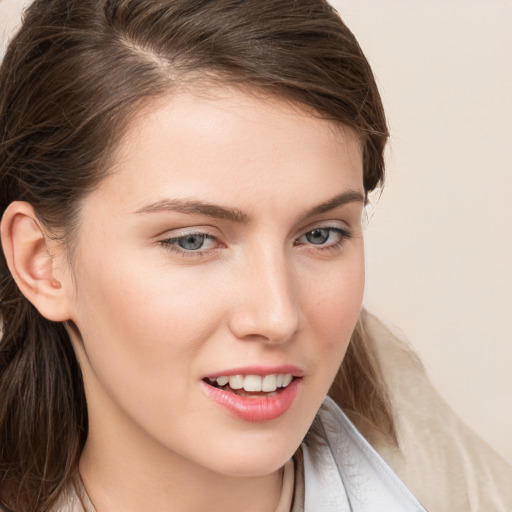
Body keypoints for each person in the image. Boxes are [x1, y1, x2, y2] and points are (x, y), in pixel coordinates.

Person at [0, 1, 510, 511]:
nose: (278, 316)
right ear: (41, 263)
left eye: (320, 234)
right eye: (192, 240)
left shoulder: (446, 480)